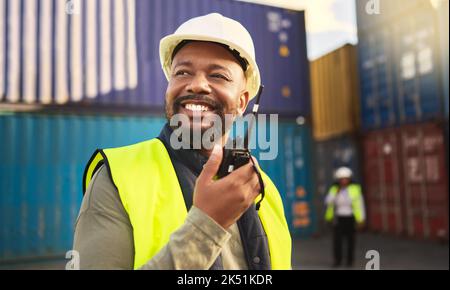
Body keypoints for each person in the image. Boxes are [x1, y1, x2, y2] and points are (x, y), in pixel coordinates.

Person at [72, 13, 292, 270]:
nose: (197, 85)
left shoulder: (267, 192)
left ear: (243, 102)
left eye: (218, 76)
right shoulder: (118, 177)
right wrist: (205, 228)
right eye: (183, 72)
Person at [324, 167, 365, 268]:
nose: (343, 181)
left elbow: (360, 204)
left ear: (349, 179)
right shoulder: (334, 189)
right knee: (337, 241)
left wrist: (361, 219)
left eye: (346, 178)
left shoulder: (355, 189)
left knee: (351, 241)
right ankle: (337, 260)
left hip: (350, 217)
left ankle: (350, 261)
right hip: (338, 217)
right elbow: (328, 202)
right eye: (341, 179)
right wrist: (336, 193)